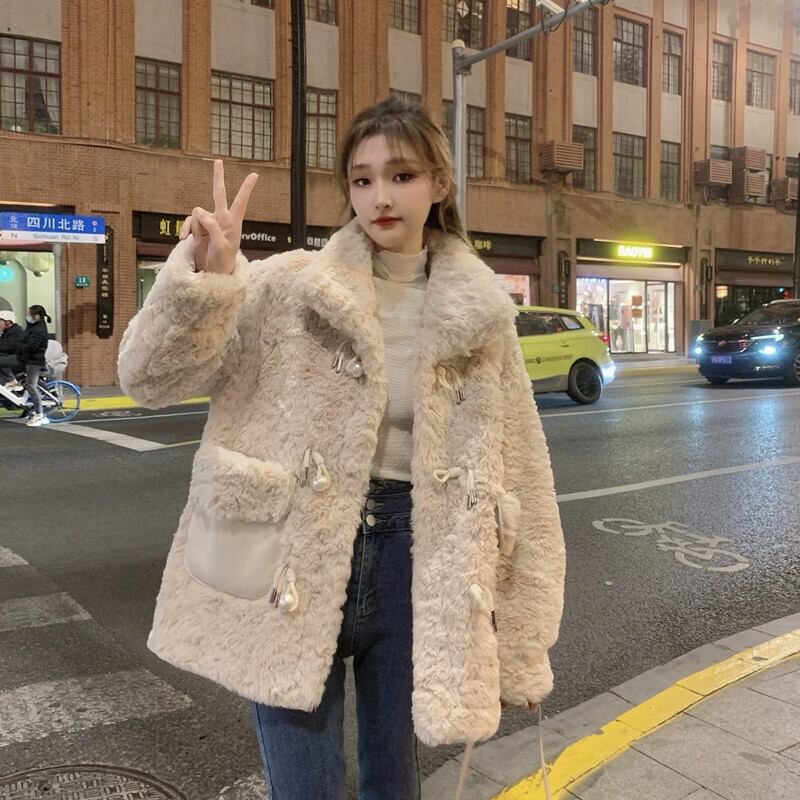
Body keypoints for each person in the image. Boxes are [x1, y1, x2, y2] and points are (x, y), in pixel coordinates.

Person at [118, 96, 566, 800]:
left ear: (439, 184)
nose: (380, 196)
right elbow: (148, 380)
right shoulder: (287, 286)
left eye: (401, 175)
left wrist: (524, 645)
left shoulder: (480, 315)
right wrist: (207, 283)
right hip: (294, 554)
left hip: (417, 560)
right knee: (305, 788)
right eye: (362, 179)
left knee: (394, 783)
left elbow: (525, 476)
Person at [17, 305, 52, 427]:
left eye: (29, 314)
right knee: (29, 382)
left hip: (34, 361)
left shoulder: (39, 329)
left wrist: (20, 347)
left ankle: (39, 414)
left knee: (31, 385)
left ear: (36, 316)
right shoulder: (32, 326)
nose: (27, 316)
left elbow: (32, 346)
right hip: (28, 359)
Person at [0, 309, 24, 387]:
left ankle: (10, 380)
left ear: (8, 322)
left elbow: (9, 346)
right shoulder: (7, 332)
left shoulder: (16, 331)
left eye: (0, 321)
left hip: (19, 358)